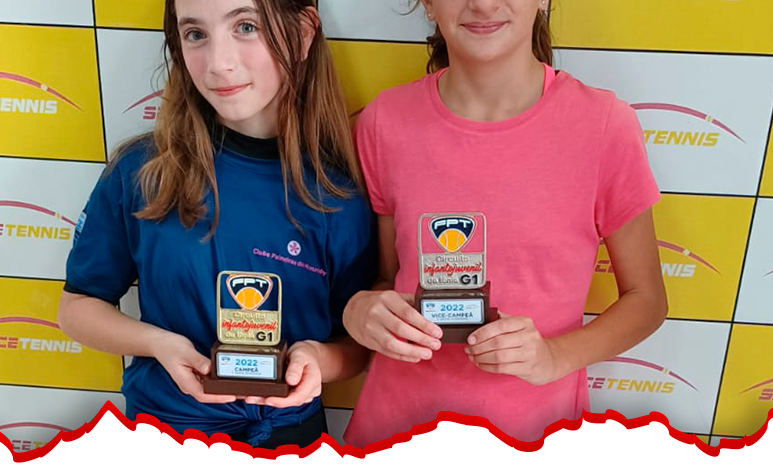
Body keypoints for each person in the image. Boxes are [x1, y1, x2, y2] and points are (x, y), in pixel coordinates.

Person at [341, 0, 668, 446]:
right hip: (395, 430)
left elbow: (647, 299)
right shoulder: (384, 121)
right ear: (429, 5)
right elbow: (386, 279)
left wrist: (553, 357)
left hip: (532, 434)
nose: (483, 4)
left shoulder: (604, 124)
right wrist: (361, 310)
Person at [57, 0, 375, 449]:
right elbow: (77, 309)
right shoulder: (142, 172)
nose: (219, 64)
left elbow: (357, 345)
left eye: (246, 26)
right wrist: (159, 343)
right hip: (164, 437)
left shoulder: (338, 196)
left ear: (304, 33)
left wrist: (317, 359)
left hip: (291, 439)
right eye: (196, 35)